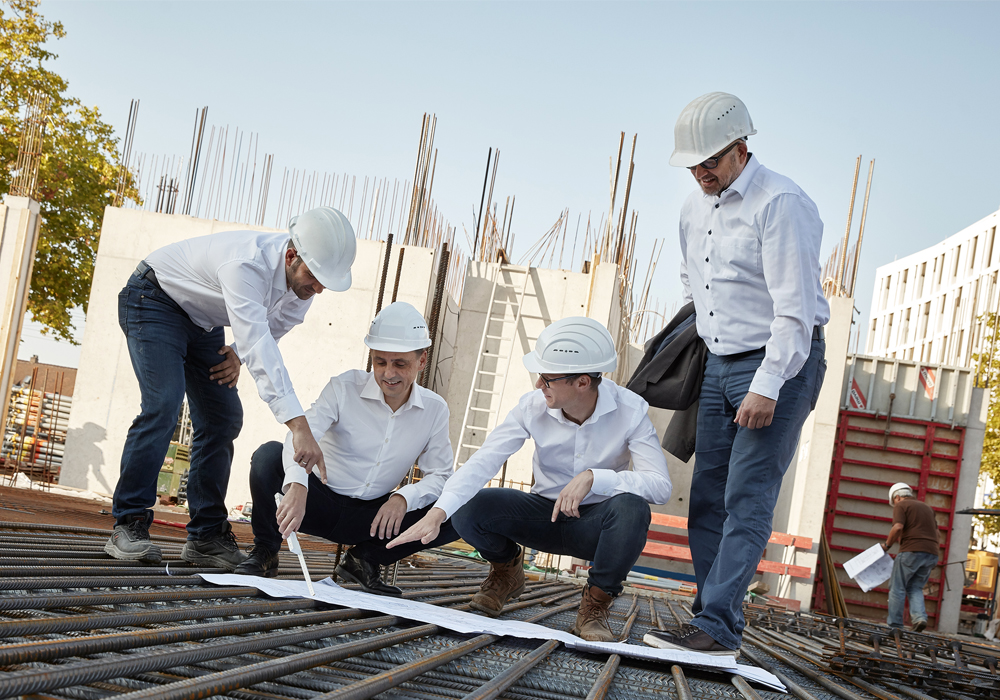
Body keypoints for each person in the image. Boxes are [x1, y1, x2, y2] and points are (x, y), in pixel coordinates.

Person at [643, 92, 828, 656]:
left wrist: (767, 385)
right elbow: (692, 282)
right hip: (719, 363)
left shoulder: (781, 203)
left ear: (741, 148)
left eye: (712, 162)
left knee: (747, 497)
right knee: (706, 497)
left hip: (780, 361)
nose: (701, 173)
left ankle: (718, 625)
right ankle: (710, 618)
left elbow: (794, 311)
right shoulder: (692, 209)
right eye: (694, 164)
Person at [389, 317, 672, 641]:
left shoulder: (630, 410)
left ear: (582, 382)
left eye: (548, 379)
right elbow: (485, 460)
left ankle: (595, 604)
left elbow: (660, 486)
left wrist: (596, 478)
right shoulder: (532, 406)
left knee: (632, 510)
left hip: (595, 525)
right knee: (470, 507)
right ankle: (507, 571)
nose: (539, 385)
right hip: (541, 516)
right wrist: (438, 514)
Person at [105, 207, 357, 569]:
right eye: (315, 277)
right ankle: (128, 523)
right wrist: (299, 426)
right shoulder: (246, 266)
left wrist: (235, 355)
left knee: (223, 417)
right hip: (154, 301)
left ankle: (205, 536)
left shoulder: (303, 284)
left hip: (202, 324)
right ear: (291, 256)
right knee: (164, 403)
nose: (317, 288)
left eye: (324, 283)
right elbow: (260, 347)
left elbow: (271, 330)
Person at [234, 302, 459, 596]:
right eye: (380, 362)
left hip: (373, 520)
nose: (388, 373)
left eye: (400, 364)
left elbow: (441, 475)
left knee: (457, 508)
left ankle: (365, 559)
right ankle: (265, 551)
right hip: (317, 503)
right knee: (267, 457)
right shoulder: (344, 388)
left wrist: (404, 498)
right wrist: (298, 484)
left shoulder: (434, 410)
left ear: (422, 360)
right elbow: (302, 432)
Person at [884, 482, 940, 632]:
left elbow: (897, 527)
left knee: (897, 587)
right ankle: (919, 618)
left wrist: (887, 546)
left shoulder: (901, 506)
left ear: (897, 497)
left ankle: (895, 625)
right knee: (915, 587)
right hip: (932, 553)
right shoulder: (928, 508)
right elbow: (938, 534)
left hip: (911, 551)